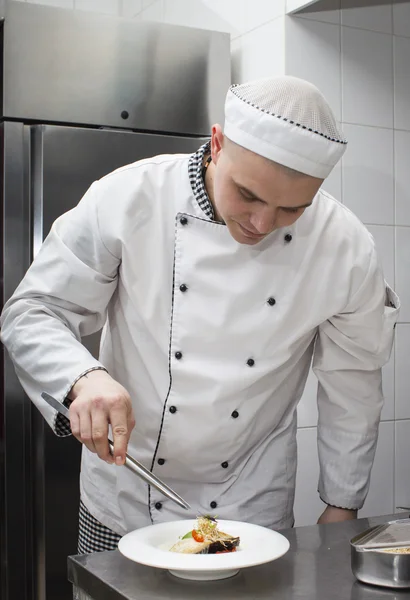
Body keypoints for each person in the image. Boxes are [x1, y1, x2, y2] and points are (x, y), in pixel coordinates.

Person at [0, 76, 399, 555]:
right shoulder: (132, 196)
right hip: (126, 496)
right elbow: (35, 309)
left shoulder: (345, 246)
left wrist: (343, 502)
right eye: (248, 195)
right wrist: (83, 377)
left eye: (293, 208)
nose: (262, 224)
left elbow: (353, 381)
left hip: (253, 507)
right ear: (218, 142)